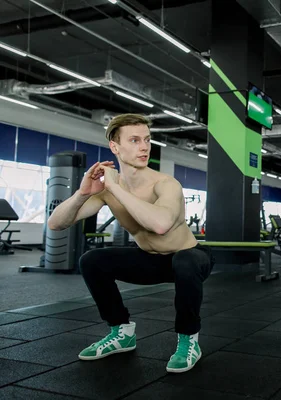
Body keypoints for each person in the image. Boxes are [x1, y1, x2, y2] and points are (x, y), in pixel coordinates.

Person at [47, 113, 213, 373]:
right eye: (134, 140)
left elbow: (159, 224)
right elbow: (56, 224)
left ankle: (188, 339)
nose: (144, 146)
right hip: (150, 259)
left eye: (146, 139)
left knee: (185, 261)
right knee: (92, 260)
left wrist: (115, 189)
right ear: (115, 147)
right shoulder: (107, 189)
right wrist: (81, 194)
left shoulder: (165, 184)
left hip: (190, 256)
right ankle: (121, 332)